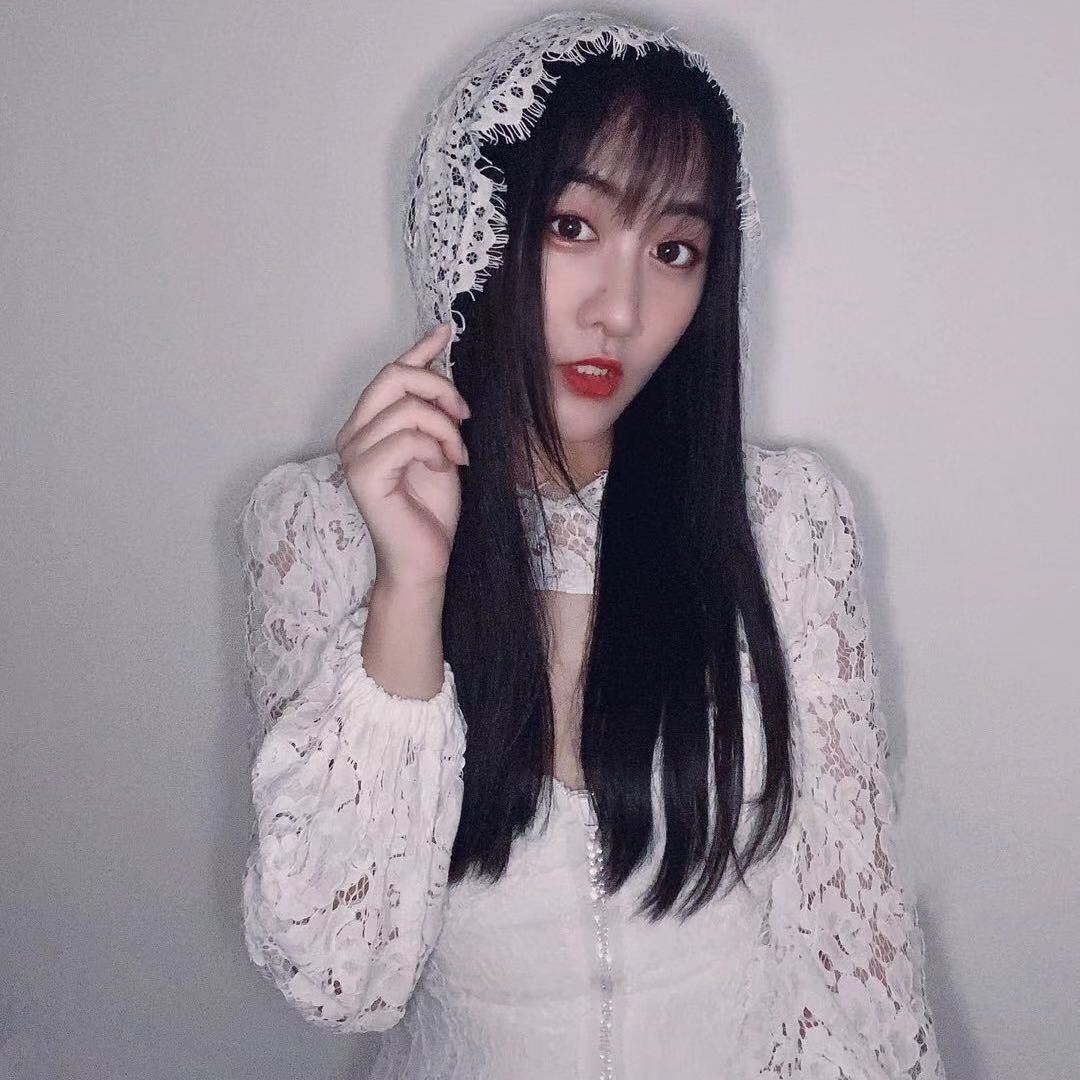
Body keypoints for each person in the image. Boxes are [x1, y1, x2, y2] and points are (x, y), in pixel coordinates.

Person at [236, 11, 946, 1078]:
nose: (620, 309)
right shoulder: (320, 533)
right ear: (476, 227)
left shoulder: (786, 525)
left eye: (674, 251)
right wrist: (408, 591)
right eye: (573, 227)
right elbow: (342, 979)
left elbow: (855, 965)